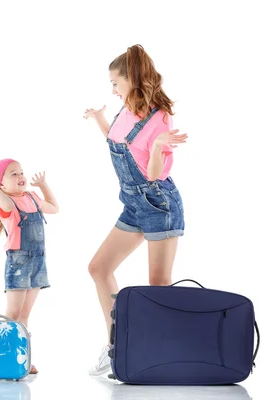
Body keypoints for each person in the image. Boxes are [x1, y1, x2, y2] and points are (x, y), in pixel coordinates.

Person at [83, 44, 188, 376]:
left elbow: (154, 173)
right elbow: (117, 141)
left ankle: (161, 354)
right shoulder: (124, 111)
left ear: (133, 79)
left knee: (158, 284)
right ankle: (118, 344)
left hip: (159, 204)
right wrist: (100, 120)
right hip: (132, 204)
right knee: (99, 268)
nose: (112, 90)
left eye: (116, 83)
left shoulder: (159, 118)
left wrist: (158, 145)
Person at [0, 158, 59, 374]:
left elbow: (55, 208)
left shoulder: (32, 197)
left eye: (21, 172)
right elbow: (8, 204)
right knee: (12, 313)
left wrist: (44, 186)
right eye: (13, 174)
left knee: (25, 314)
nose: (21, 176)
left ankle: (22, 359)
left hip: (38, 261)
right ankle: (0, 357)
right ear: (1, 186)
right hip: (18, 262)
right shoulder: (6, 204)